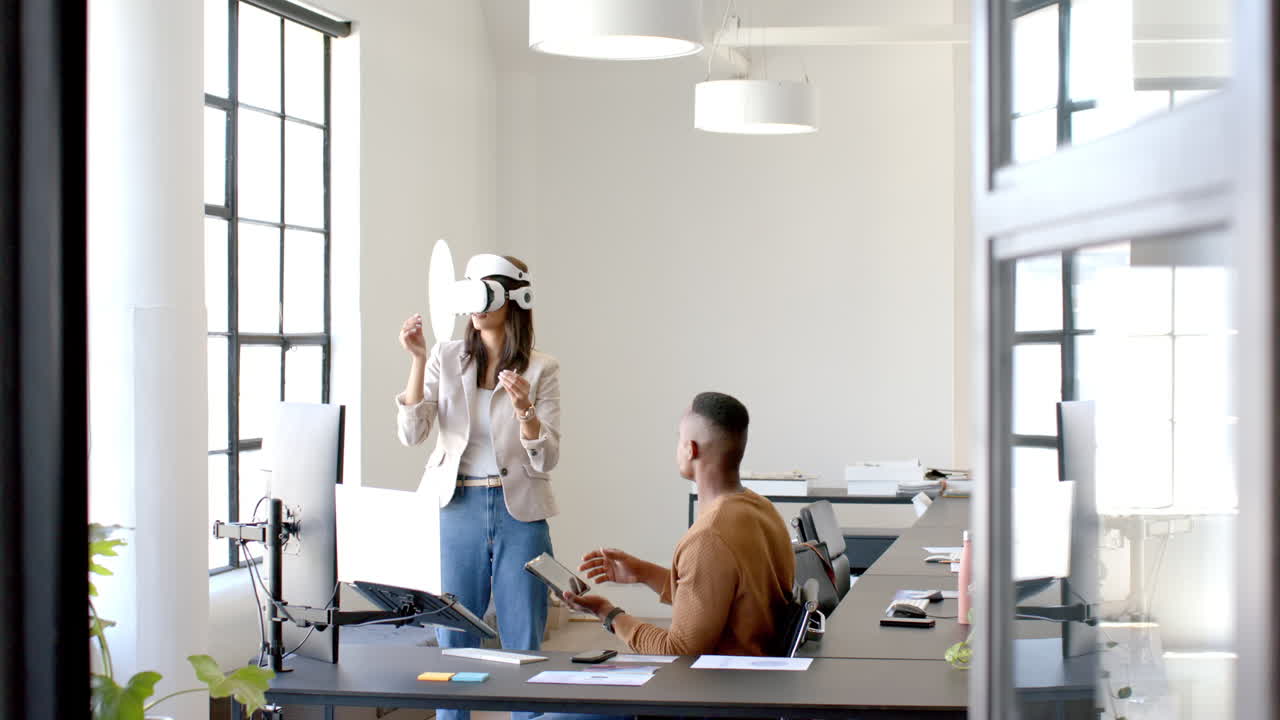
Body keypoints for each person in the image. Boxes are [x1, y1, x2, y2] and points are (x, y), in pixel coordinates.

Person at [396, 254, 561, 720]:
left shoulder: (542, 368)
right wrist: (417, 361)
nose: (476, 304)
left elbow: (547, 458)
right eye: (469, 291)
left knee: (524, 640)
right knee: (454, 642)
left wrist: (526, 410)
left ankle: (527, 716)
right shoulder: (446, 357)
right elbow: (412, 433)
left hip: (520, 513)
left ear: (515, 299)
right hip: (456, 506)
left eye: (486, 292)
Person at [567, 391, 795, 657]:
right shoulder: (762, 509)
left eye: (679, 438)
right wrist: (642, 572)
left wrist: (607, 613)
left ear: (690, 449)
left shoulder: (709, 536)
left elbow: (679, 650)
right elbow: (721, 598)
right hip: (765, 679)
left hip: (724, 689)